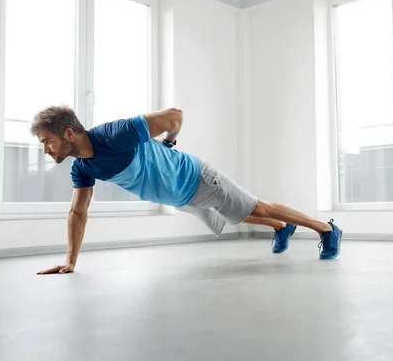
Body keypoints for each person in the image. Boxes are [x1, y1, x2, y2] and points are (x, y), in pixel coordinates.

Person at [33, 106, 342, 274]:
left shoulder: (116, 134)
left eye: (47, 141)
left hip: (197, 178)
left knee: (255, 207)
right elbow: (77, 212)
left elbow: (175, 115)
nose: (45, 149)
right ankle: (282, 226)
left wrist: (169, 141)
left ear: (69, 133)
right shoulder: (83, 168)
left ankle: (326, 229)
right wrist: (71, 261)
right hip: (181, 198)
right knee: (234, 216)